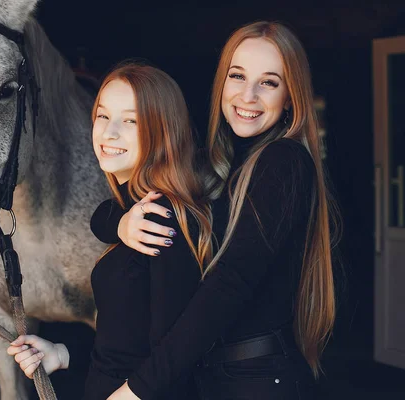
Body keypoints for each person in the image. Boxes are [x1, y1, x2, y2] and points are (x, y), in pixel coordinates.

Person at [91, 21, 340, 400]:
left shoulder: (283, 161)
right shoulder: (220, 165)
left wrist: (137, 390)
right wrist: (120, 223)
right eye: (237, 76)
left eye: (269, 82)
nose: (248, 95)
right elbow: (127, 209)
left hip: (255, 380)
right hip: (217, 376)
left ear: (291, 97)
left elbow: (231, 281)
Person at [7, 62, 214, 399]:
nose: (109, 132)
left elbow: (173, 355)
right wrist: (62, 353)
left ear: (163, 131)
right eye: (102, 115)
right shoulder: (130, 212)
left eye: (130, 120)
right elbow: (129, 342)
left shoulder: (159, 220)